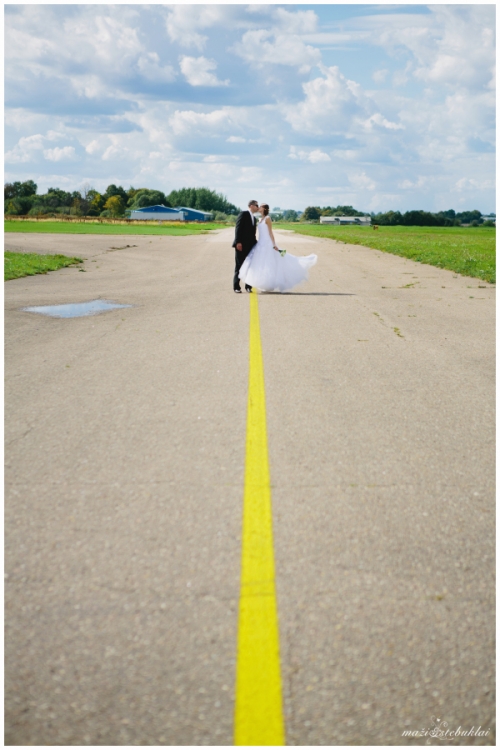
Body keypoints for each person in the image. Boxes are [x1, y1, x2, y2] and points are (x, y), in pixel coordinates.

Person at [238, 204, 317, 292]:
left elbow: (270, 232)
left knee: (270, 263)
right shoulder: (260, 219)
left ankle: (270, 283)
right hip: (260, 244)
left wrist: (274, 244)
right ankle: (265, 284)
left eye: (260, 206)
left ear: (264, 209)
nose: (258, 207)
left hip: (267, 243)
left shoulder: (268, 218)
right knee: (263, 265)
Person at [232, 199, 259, 293]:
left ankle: (248, 286)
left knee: (250, 266)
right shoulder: (243, 214)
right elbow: (238, 228)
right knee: (239, 266)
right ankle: (236, 287)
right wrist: (238, 242)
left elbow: (252, 234)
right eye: (256, 205)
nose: (258, 207)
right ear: (251, 205)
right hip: (241, 245)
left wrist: (256, 245)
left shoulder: (254, 218)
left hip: (250, 246)